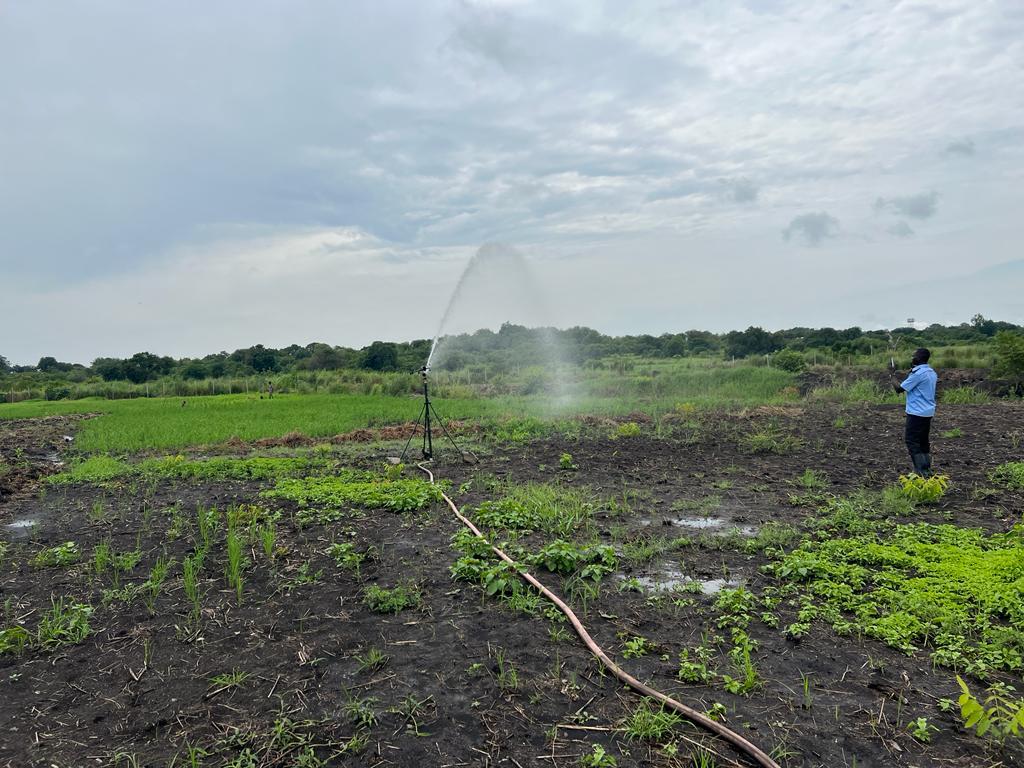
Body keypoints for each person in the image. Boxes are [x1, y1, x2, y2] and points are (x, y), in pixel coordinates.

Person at [890, 348, 938, 476]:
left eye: (914, 356)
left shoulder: (918, 374)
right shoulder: (931, 372)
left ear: (919, 358)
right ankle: (927, 470)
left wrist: (892, 374)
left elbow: (899, 389)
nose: (912, 358)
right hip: (927, 412)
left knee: (912, 441)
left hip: (916, 412)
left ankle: (921, 472)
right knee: (923, 442)